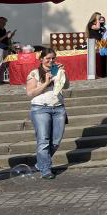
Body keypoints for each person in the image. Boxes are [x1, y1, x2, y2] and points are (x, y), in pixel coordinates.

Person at [25, 48, 68, 179]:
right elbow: (30, 93)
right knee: (43, 140)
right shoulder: (35, 73)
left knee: (56, 141)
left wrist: (62, 74)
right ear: (41, 59)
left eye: (53, 58)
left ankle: (40, 163)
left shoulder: (57, 70)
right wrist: (46, 83)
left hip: (58, 108)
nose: (50, 61)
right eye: (47, 58)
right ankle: (46, 169)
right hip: (40, 109)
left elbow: (66, 86)